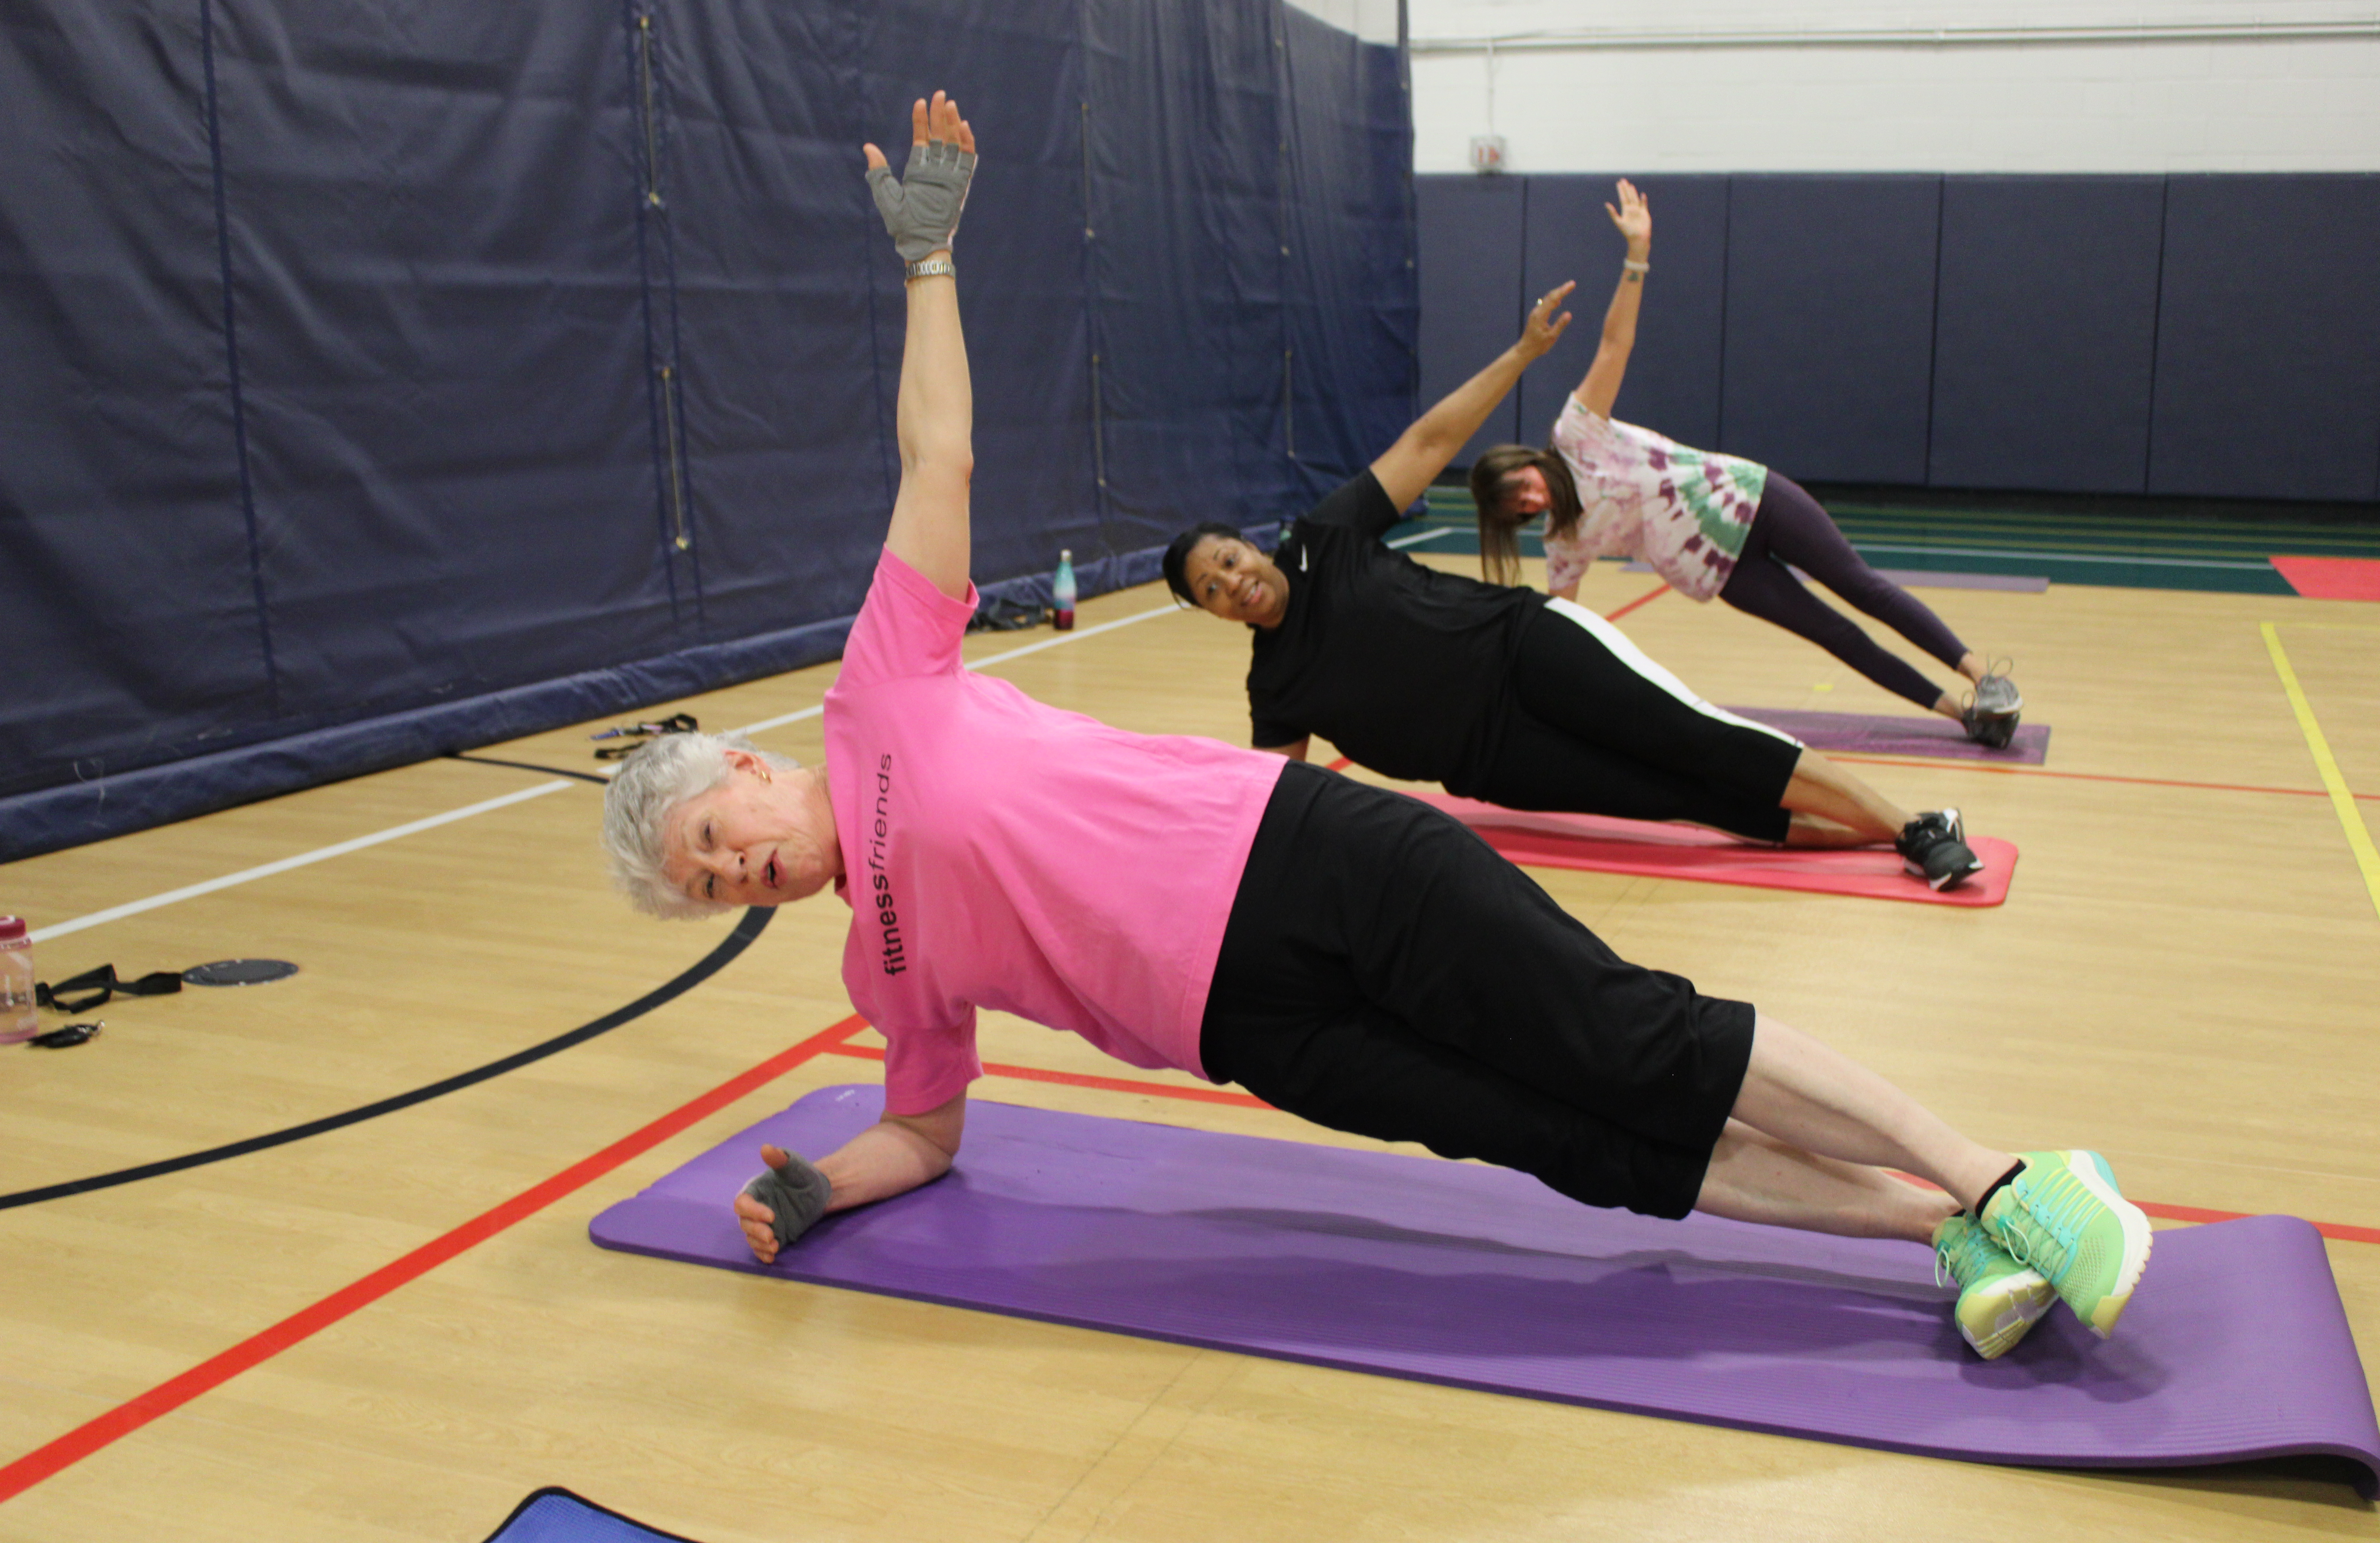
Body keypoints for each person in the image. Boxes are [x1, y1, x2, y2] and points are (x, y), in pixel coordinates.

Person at [600, 93, 2150, 1361]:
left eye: (715, 845)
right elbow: (926, 1134)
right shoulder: (876, 966)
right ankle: (1942, 1233)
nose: (738, 874)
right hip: (1256, 1031)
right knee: (1581, 1143)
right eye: (715, 889)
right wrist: (821, 1189)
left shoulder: (876, 694)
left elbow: (937, 459)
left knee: (1624, 1035)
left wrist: (928, 263)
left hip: (1302, 861)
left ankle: (2009, 1177)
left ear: (744, 768)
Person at [1162, 296, 1985, 889]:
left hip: (1528, 649)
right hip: (1497, 761)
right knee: (1682, 799)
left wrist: (1521, 354)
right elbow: (1276, 795)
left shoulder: (1322, 538)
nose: (1235, 582)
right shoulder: (1272, 688)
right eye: (1214, 588)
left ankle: (1915, 825)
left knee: (1696, 738)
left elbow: (1431, 437)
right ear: (1211, 612)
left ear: (1247, 544)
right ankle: (1882, 839)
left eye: (1229, 559)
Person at [1468, 180, 2023, 748]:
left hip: (1753, 500)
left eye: (1523, 487)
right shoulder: (1563, 543)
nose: (1531, 502)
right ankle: (1965, 716)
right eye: (1518, 510)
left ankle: (1984, 678)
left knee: (1862, 588)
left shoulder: (1577, 434)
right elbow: (1568, 627)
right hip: (1723, 574)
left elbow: (1615, 344)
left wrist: (1637, 256)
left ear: (1527, 461)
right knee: (1835, 635)